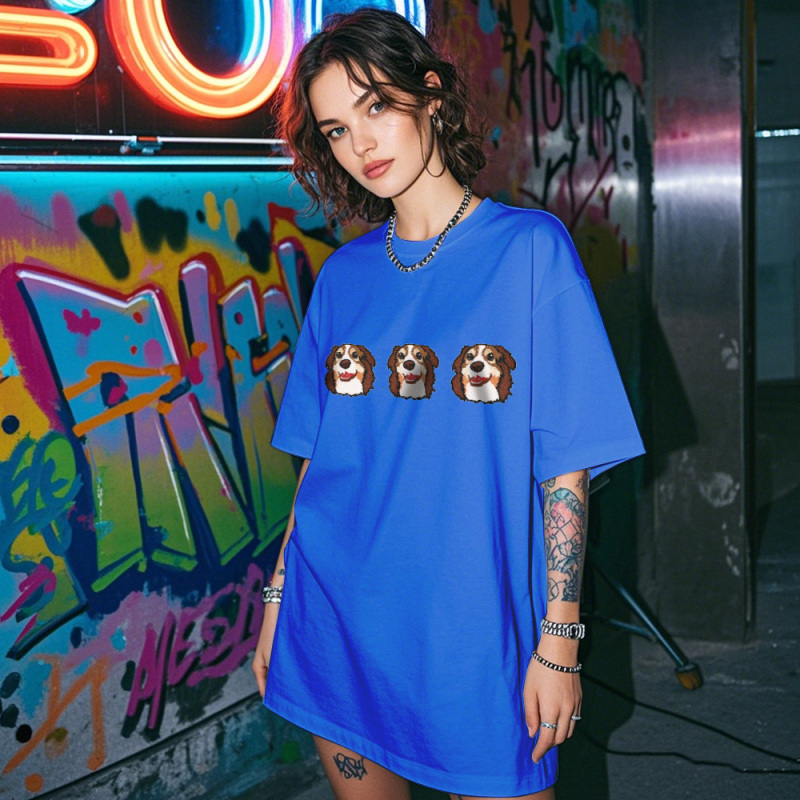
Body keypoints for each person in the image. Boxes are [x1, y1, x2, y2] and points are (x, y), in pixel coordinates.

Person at [252, 8, 644, 800]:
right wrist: (276, 603)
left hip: (473, 637)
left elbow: (565, 468)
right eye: (335, 130)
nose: (361, 145)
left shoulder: (529, 250)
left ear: (430, 94)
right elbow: (321, 468)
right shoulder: (343, 278)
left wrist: (560, 639)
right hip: (336, 625)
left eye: (375, 106)